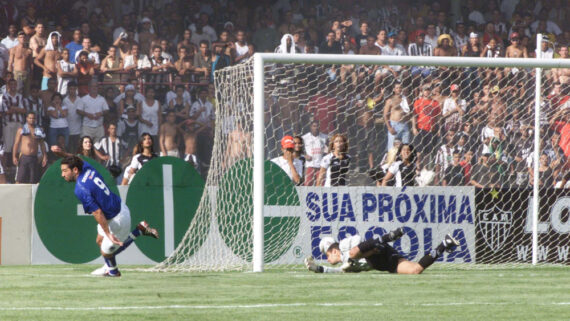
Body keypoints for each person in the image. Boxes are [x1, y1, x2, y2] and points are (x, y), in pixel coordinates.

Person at [59, 155, 159, 277]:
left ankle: (137, 234)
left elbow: (97, 212)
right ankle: (110, 268)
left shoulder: (80, 188)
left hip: (117, 219)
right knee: (99, 241)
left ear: (75, 170)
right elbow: (77, 160)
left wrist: (108, 233)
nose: (62, 175)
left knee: (106, 252)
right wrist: (63, 153)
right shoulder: (87, 168)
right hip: (119, 207)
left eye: (65, 171)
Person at [305, 228, 459, 274]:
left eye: (326, 255)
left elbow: (359, 242)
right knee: (415, 270)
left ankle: (388, 237)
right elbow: (338, 271)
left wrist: (350, 260)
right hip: (384, 262)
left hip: (376, 249)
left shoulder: (344, 245)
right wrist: (316, 268)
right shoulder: (346, 266)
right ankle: (445, 244)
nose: (327, 260)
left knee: (353, 253)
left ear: (332, 250)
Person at [13, 112, 47, 183]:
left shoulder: (38, 130)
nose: (32, 120)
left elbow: (42, 144)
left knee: (33, 180)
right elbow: (16, 144)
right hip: (24, 157)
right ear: (27, 119)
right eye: (30, 118)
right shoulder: (21, 129)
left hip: (34, 157)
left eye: (33, 118)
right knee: (20, 179)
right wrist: (14, 156)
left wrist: (44, 156)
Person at [302, 121, 328, 186]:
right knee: (308, 184)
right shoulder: (305, 137)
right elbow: (299, 149)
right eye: (314, 126)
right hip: (310, 165)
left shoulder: (325, 137)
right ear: (310, 127)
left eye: (317, 126)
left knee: (321, 185)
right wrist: (305, 155)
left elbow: (328, 150)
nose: (316, 128)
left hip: (321, 166)